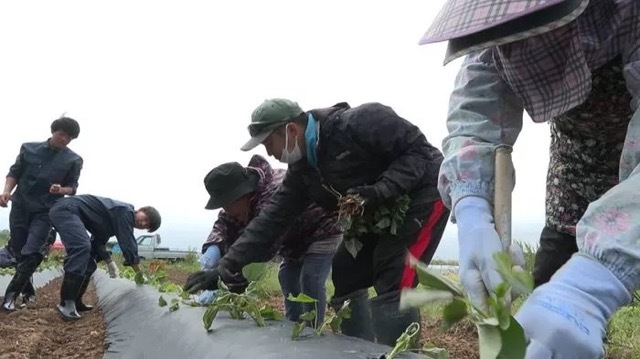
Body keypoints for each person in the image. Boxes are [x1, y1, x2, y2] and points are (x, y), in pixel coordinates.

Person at [419, 0, 639, 357]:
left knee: (583, 292)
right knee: (552, 301)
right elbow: (473, 119)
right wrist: (473, 210)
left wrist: (591, 287)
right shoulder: (495, 38)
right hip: (575, 177)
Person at [184, 98, 449, 346]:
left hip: (423, 193)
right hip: (378, 211)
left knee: (393, 272)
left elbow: (420, 155)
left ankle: (399, 352)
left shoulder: (359, 122)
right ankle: (362, 351)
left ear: (291, 130)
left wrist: (379, 190)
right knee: (345, 272)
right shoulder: (303, 174)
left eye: (268, 143)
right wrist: (223, 269)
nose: (269, 152)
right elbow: (269, 222)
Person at [197, 154, 342, 326]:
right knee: (287, 276)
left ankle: (313, 332)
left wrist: (225, 278)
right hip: (294, 241)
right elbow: (223, 224)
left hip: (323, 229)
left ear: (242, 195)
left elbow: (263, 244)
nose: (226, 210)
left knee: (310, 278)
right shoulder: (238, 206)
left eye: (227, 205)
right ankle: (293, 326)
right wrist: (214, 247)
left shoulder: (273, 192)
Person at [1, 116, 83, 312]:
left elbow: (72, 188)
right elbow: (14, 173)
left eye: (69, 137)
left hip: (46, 210)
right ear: (54, 131)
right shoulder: (28, 148)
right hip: (20, 205)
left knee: (32, 251)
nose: (64, 139)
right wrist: (6, 191)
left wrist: (60, 190)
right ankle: (28, 290)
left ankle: (10, 297)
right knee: (20, 251)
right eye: (62, 134)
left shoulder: (74, 160)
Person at [48, 194, 161, 320]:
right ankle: (66, 303)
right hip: (65, 209)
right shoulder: (125, 212)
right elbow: (128, 243)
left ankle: (76, 301)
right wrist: (139, 274)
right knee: (82, 247)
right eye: (145, 219)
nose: (142, 223)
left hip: (69, 212)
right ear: (140, 210)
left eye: (146, 226)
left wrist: (109, 262)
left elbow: (98, 243)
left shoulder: (113, 221)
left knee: (90, 262)